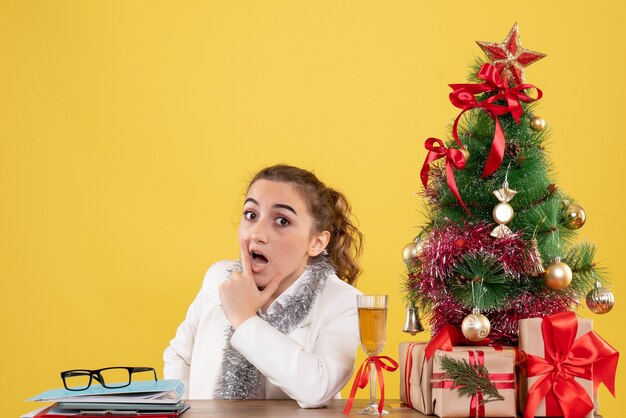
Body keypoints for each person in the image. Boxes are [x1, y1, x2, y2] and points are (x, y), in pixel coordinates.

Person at [163, 164, 364, 408]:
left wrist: (245, 319)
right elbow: (179, 356)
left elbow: (317, 389)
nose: (257, 234)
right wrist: (186, 411)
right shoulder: (219, 278)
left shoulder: (343, 301)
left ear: (317, 242)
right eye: (251, 215)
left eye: (282, 220)